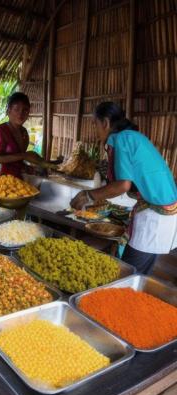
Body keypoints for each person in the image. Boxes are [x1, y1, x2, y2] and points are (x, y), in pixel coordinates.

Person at [71, 102, 177, 274]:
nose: (95, 130)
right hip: (166, 215)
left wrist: (89, 196)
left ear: (105, 123)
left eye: (95, 124)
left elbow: (122, 185)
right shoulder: (134, 137)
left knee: (126, 274)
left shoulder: (120, 139)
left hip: (154, 217)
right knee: (138, 274)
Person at [0, 92, 42, 178]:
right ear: (9, 111)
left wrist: (30, 168)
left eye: (25, 110)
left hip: (19, 180)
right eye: (16, 109)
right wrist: (24, 155)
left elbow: (18, 162)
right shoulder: (1, 130)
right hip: (4, 180)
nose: (20, 114)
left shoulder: (24, 132)